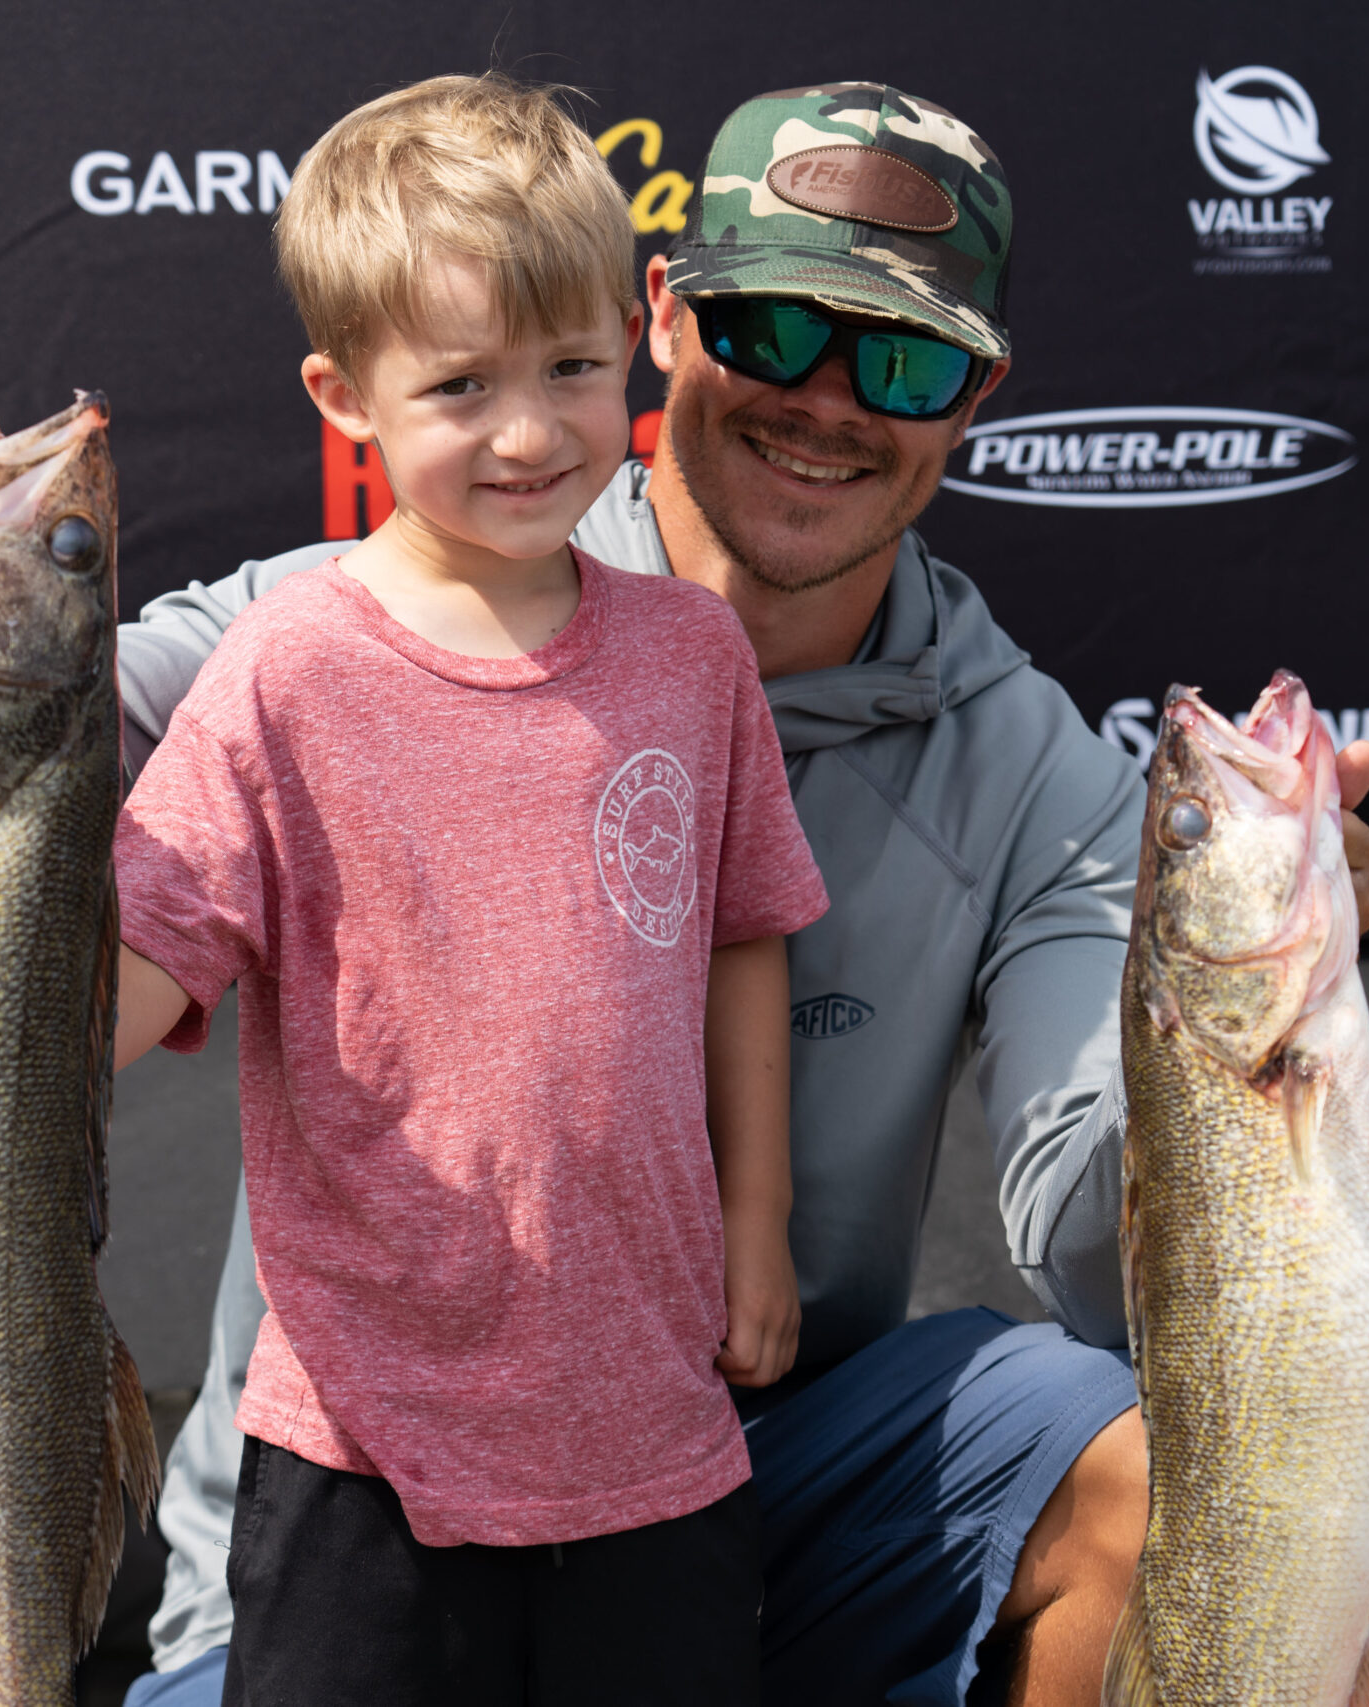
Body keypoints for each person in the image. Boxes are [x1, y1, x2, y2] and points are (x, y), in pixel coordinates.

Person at [0, 81, 1369, 1707]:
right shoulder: (316, 637)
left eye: (903, 361)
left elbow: (1089, 1232)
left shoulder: (1046, 780)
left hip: (720, 1488)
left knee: (1224, 1531)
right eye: (775, 328)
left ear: (974, 397)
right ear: (672, 320)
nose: (828, 401)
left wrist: (1259, 1038)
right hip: (363, 1505)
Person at [107, 74, 828, 1704]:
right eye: (459, 384)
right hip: (359, 1456)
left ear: (635, 342)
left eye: (569, 367)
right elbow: (122, 989)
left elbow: (745, 936)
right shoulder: (284, 668)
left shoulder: (693, 653)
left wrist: (760, 1227)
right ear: (343, 395)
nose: (528, 432)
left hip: (657, 1435)